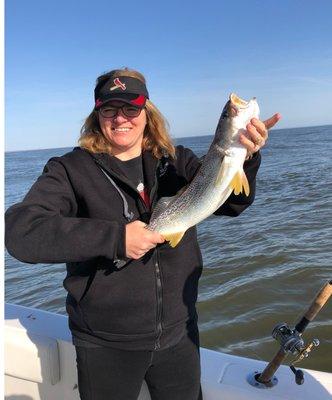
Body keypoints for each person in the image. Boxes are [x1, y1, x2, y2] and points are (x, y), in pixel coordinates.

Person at [5, 68, 281, 400]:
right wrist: (116, 239)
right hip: (104, 343)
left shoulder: (177, 161)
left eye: (130, 108)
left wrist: (247, 156)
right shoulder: (68, 170)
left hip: (180, 334)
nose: (120, 118)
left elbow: (233, 202)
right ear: (97, 115)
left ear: (146, 112)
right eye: (109, 109)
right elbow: (22, 231)